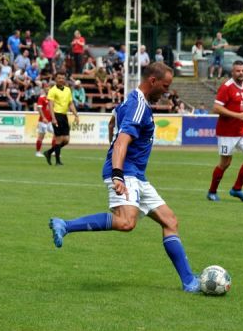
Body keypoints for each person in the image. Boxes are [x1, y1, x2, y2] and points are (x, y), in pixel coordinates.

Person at [48, 62, 200, 293]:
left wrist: (113, 151)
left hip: (136, 174)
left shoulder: (130, 102)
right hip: (125, 173)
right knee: (127, 222)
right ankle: (65, 225)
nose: (167, 91)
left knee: (170, 221)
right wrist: (117, 173)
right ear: (152, 81)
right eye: (165, 86)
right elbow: (122, 140)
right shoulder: (138, 105)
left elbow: (112, 123)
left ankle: (189, 281)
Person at [206, 61, 243, 203]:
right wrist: (238, 115)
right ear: (232, 72)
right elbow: (216, 108)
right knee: (225, 163)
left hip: (242, 130)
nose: (241, 73)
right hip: (227, 132)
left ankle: (237, 189)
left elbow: (240, 108)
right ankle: (212, 192)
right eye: (238, 71)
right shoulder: (226, 87)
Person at [44, 70, 79, 165]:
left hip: (64, 116)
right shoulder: (52, 90)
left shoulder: (68, 90)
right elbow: (50, 105)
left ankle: (49, 152)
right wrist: (53, 118)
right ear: (55, 79)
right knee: (59, 139)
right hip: (57, 115)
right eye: (59, 78)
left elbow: (70, 104)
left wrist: (76, 115)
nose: (61, 80)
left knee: (66, 140)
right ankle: (58, 161)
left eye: (63, 78)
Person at [35, 84, 56, 157]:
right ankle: (37, 152)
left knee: (56, 134)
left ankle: (53, 151)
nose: (48, 89)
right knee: (41, 136)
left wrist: (54, 118)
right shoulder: (41, 98)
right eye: (46, 87)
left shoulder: (52, 98)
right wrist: (43, 117)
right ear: (44, 89)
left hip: (50, 121)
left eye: (49, 87)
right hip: (43, 121)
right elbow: (39, 109)